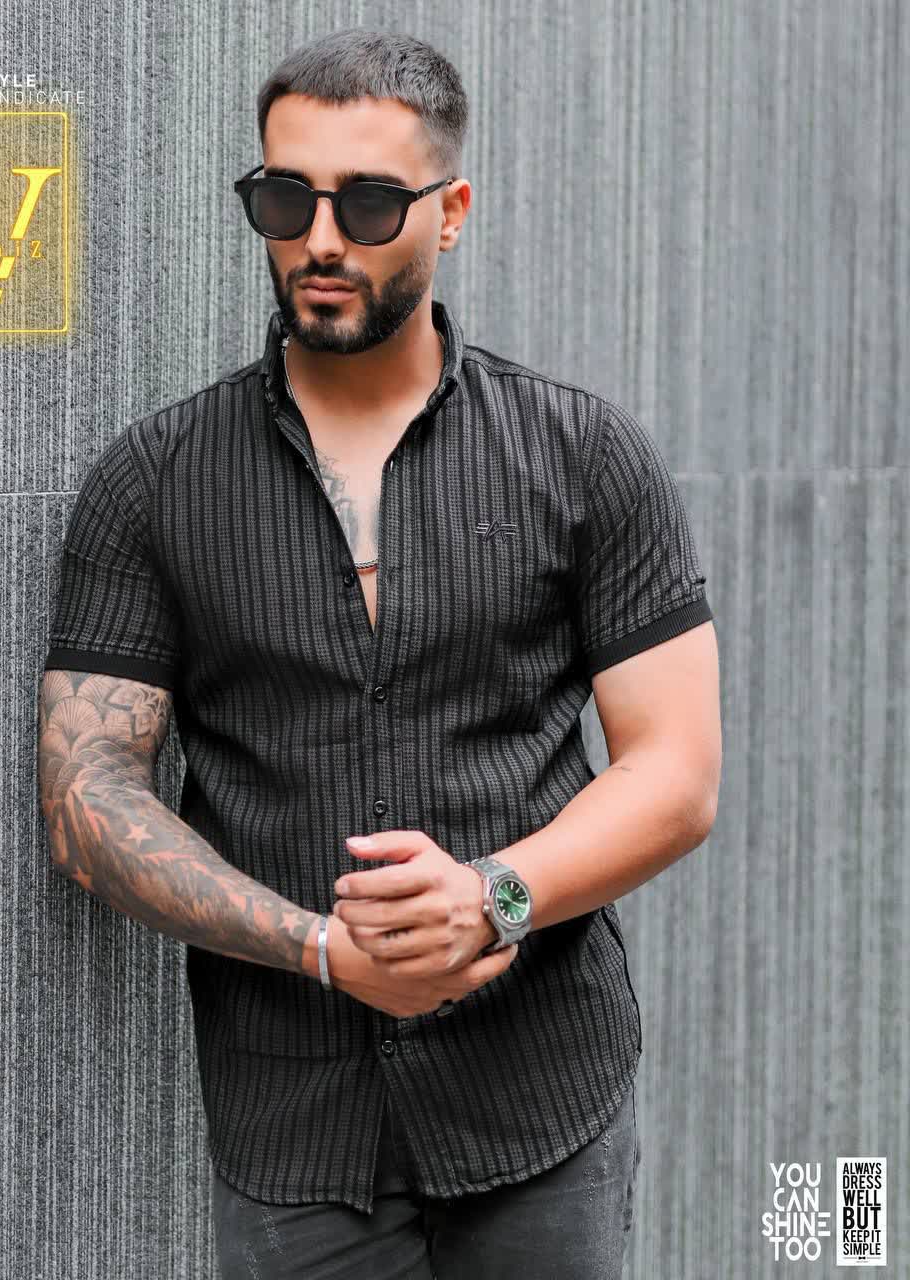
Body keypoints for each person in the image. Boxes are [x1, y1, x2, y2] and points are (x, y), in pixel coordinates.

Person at [38, 27, 721, 1280]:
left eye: (365, 202)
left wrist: (492, 894)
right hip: (292, 1125)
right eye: (284, 198)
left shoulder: (582, 456)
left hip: (540, 1099)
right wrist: (317, 946)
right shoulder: (153, 482)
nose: (319, 239)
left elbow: (676, 772)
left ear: (449, 211)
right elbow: (88, 800)